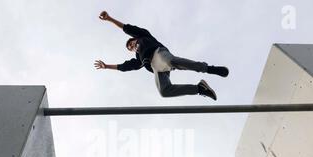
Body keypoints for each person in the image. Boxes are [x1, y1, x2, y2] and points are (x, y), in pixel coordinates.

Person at [94, 11, 229, 101]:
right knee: (164, 91)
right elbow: (125, 66)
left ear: (134, 39)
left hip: (159, 53)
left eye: (131, 43)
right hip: (157, 68)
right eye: (130, 48)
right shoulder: (138, 58)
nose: (132, 46)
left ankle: (210, 69)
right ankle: (200, 88)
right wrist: (106, 66)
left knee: (172, 61)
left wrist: (109, 19)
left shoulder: (143, 36)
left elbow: (126, 28)